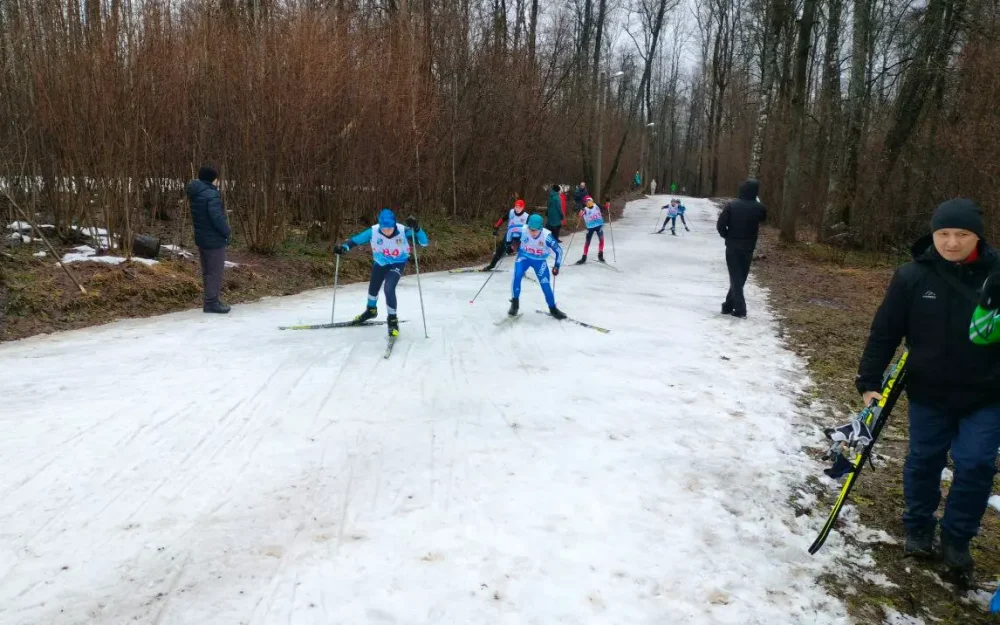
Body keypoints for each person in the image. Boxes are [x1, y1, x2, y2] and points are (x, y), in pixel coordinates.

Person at [856, 198, 1000, 581]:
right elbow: (885, 331)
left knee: (976, 464)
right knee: (923, 460)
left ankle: (957, 538)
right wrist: (869, 382)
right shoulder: (911, 277)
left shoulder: (997, 276)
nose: (952, 243)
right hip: (928, 391)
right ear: (932, 234)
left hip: (986, 394)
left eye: (962, 234)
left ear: (978, 237)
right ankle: (918, 526)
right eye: (943, 234)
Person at [335, 208, 429, 337]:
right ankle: (371, 310)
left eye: (389, 228)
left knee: (388, 288)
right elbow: (356, 240)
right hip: (380, 263)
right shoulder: (373, 231)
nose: (387, 232)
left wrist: (417, 228)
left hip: (397, 263)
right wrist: (344, 247)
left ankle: (392, 319)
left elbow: (424, 243)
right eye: (384, 229)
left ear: (394, 225)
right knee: (373, 287)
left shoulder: (403, 231)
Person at [716, 180, 766, 318]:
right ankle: (728, 306)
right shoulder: (760, 207)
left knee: (736, 277)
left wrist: (726, 236)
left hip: (732, 246)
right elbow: (763, 219)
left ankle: (739, 309)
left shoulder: (731, 206)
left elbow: (721, 224)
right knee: (740, 277)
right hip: (749, 246)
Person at [187, 164, 231, 314]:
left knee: (207, 271)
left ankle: (210, 300)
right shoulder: (210, 194)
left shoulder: (196, 193)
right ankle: (212, 302)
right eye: (217, 179)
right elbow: (216, 217)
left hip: (202, 238)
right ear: (213, 179)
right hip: (214, 239)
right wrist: (226, 231)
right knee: (215, 271)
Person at [508, 214, 565, 319]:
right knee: (517, 276)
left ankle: (553, 309)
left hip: (539, 261)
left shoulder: (547, 237)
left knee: (545, 285)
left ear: (541, 229)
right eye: (530, 229)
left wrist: (556, 266)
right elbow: (511, 229)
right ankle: (515, 304)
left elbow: (559, 251)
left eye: (535, 230)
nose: (532, 233)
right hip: (524, 257)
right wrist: (510, 243)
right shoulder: (524, 229)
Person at [483, 199, 529, 271]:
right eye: (516, 207)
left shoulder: (526, 216)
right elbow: (502, 219)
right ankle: (492, 265)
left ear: (523, 208)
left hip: (520, 237)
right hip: (510, 235)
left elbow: (530, 228)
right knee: (501, 249)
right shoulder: (511, 212)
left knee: (522, 252)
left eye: (519, 208)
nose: (517, 209)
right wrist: (496, 227)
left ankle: (522, 269)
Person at [574, 196, 607, 264]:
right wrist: (581, 212)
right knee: (587, 242)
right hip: (590, 228)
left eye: (590, 201)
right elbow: (580, 215)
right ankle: (584, 257)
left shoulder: (596, 205)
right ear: (585, 202)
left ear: (592, 200)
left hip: (599, 226)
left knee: (601, 240)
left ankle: (600, 254)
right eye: (587, 201)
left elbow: (605, 208)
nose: (588, 202)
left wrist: (607, 203)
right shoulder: (585, 209)